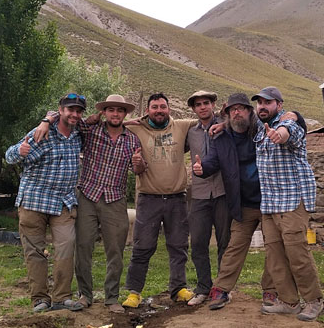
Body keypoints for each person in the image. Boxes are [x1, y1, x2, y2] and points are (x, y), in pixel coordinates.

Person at [192, 93, 304, 311]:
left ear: (249, 111)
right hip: (243, 203)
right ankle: (221, 289)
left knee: (273, 249)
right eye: (232, 109)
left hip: (269, 203)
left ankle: (270, 291)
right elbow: (212, 162)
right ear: (226, 114)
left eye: (241, 108)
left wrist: (294, 114)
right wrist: (201, 169)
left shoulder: (261, 130)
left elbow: (293, 121)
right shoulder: (221, 137)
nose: (237, 112)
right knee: (234, 247)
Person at [40, 94, 142, 314]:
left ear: (125, 114)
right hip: (87, 195)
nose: (116, 114)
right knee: (83, 247)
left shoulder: (132, 140)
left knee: (115, 250)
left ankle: (111, 297)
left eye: (120, 110)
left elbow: (138, 171)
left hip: (115, 199)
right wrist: (47, 120)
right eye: (111, 110)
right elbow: (68, 120)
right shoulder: (89, 131)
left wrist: (139, 164)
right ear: (104, 112)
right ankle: (85, 295)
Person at [5, 93, 87, 314]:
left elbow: (104, 120)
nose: (74, 114)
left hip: (63, 201)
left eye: (79, 111)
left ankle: (62, 297)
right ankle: (40, 299)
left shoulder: (79, 132)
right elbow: (9, 155)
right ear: (60, 110)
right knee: (34, 252)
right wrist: (19, 152)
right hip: (34, 200)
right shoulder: (42, 132)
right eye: (70, 109)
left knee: (66, 247)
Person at [252, 86, 324, 321]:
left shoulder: (289, 124)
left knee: (297, 253)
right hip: (270, 203)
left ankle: (313, 301)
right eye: (259, 103)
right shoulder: (260, 131)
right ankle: (289, 301)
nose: (262, 106)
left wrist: (280, 133)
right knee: (275, 255)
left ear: (279, 105)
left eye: (268, 102)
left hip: (292, 201)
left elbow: (288, 132)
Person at [123, 93, 195, 308]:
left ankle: (178, 288)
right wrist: (128, 121)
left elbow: (209, 117)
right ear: (148, 110)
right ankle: (134, 293)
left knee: (178, 245)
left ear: (169, 109)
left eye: (163, 107)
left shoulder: (182, 126)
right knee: (142, 246)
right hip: (148, 198)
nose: (159, 111)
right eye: (154, 107)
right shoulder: (136, 128)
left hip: (177, 199)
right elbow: (109, 123)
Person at [184, 90, 230, 306]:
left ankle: (222, 289)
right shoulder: (190, 132)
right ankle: (203, 288)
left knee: (224, 242)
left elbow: (246, 121)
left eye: (206, 103)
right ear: (193, 109)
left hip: (223, 191)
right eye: (198, 104)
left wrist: (226, 118)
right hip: (200, 193)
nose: (203, 107)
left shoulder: (225, 125)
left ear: (213, 104)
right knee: (199, 242)